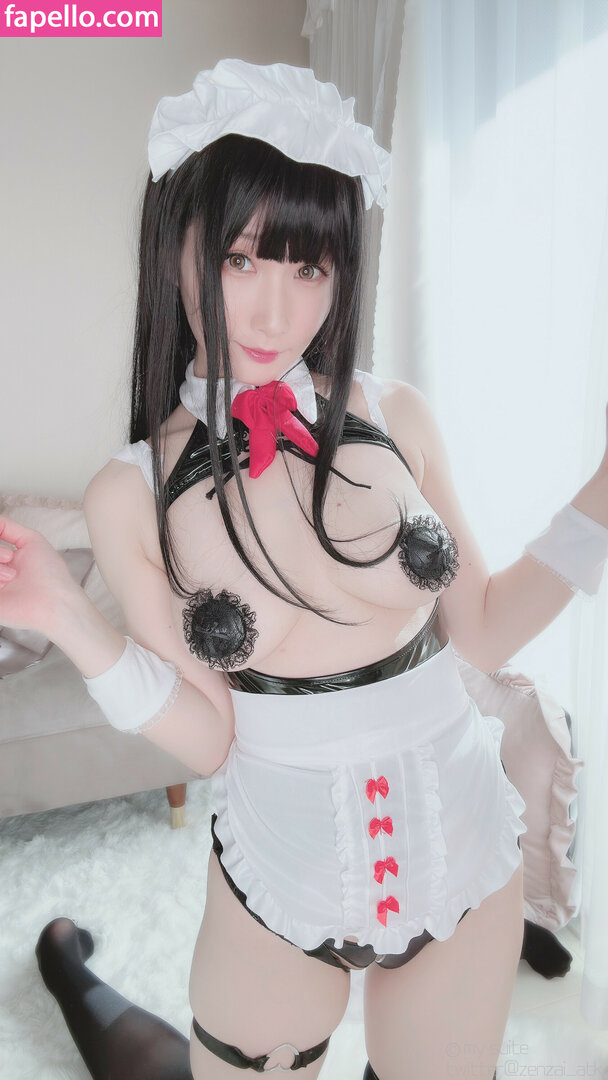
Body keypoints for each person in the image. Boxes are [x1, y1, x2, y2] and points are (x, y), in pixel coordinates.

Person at [2, 58, 608, 1080]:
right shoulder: (132, 490)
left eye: (310, 269)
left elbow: (485, 629)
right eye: (241, 260)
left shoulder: (396, 414)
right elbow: (207, 735)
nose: (274, 315)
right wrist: (67, 615)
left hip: (465, 853)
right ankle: (67, 965)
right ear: (176, 245)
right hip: (281, 886)